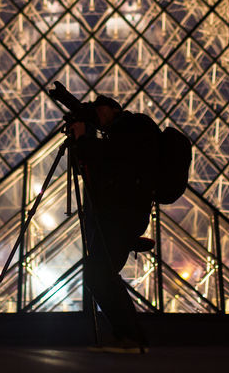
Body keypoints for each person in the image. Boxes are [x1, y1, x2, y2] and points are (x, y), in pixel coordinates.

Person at [66, 94, 158, 351]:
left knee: (99, 273)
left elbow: (111, 159)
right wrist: (80, 143)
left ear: (115, 109)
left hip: (123, 214)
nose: (97, 115)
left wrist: (84, 139)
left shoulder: (131, 126)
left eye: (100, 109)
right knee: (100, 273)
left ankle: (130, 337)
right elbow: (94, 167)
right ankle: (128, 336)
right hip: (121, 214)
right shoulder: (125, 131)